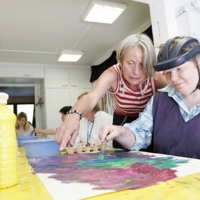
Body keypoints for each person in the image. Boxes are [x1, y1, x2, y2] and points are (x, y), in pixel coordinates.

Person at [55, 33, 167, 151]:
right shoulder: (112, 75)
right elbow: (92, 97)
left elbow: (174, 98)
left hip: (148, 121)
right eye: (130, 63)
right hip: (123, 119)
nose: (136, 72)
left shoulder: (156, 78)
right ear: (121, 61)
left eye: (143, 64)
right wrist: (73, 114)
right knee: (121, 158)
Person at [99, 36, 200, 159]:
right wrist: (120, 132)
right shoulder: (159, 100)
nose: (172, 78)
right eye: (168, 72)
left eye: (180, 69)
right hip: (167, 176)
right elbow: (139, 134)